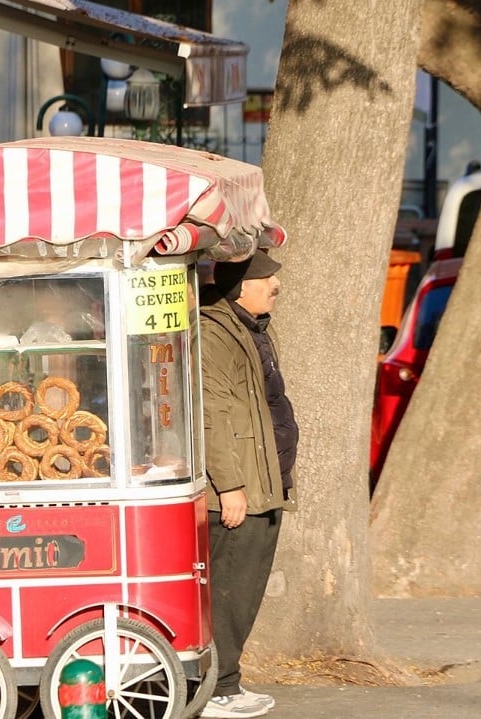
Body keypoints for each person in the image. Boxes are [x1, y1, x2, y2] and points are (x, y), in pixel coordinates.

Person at [198, 250, 298, 718]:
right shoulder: (215, 333)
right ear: (242, 287)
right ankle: (216, 688)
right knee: (230, 591)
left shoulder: (253, 327)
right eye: (268, 281)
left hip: (264, 483)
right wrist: (231, 485)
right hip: (240, 490)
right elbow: (212, 415)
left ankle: (226, 682)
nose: (276, 286)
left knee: (245, 588)